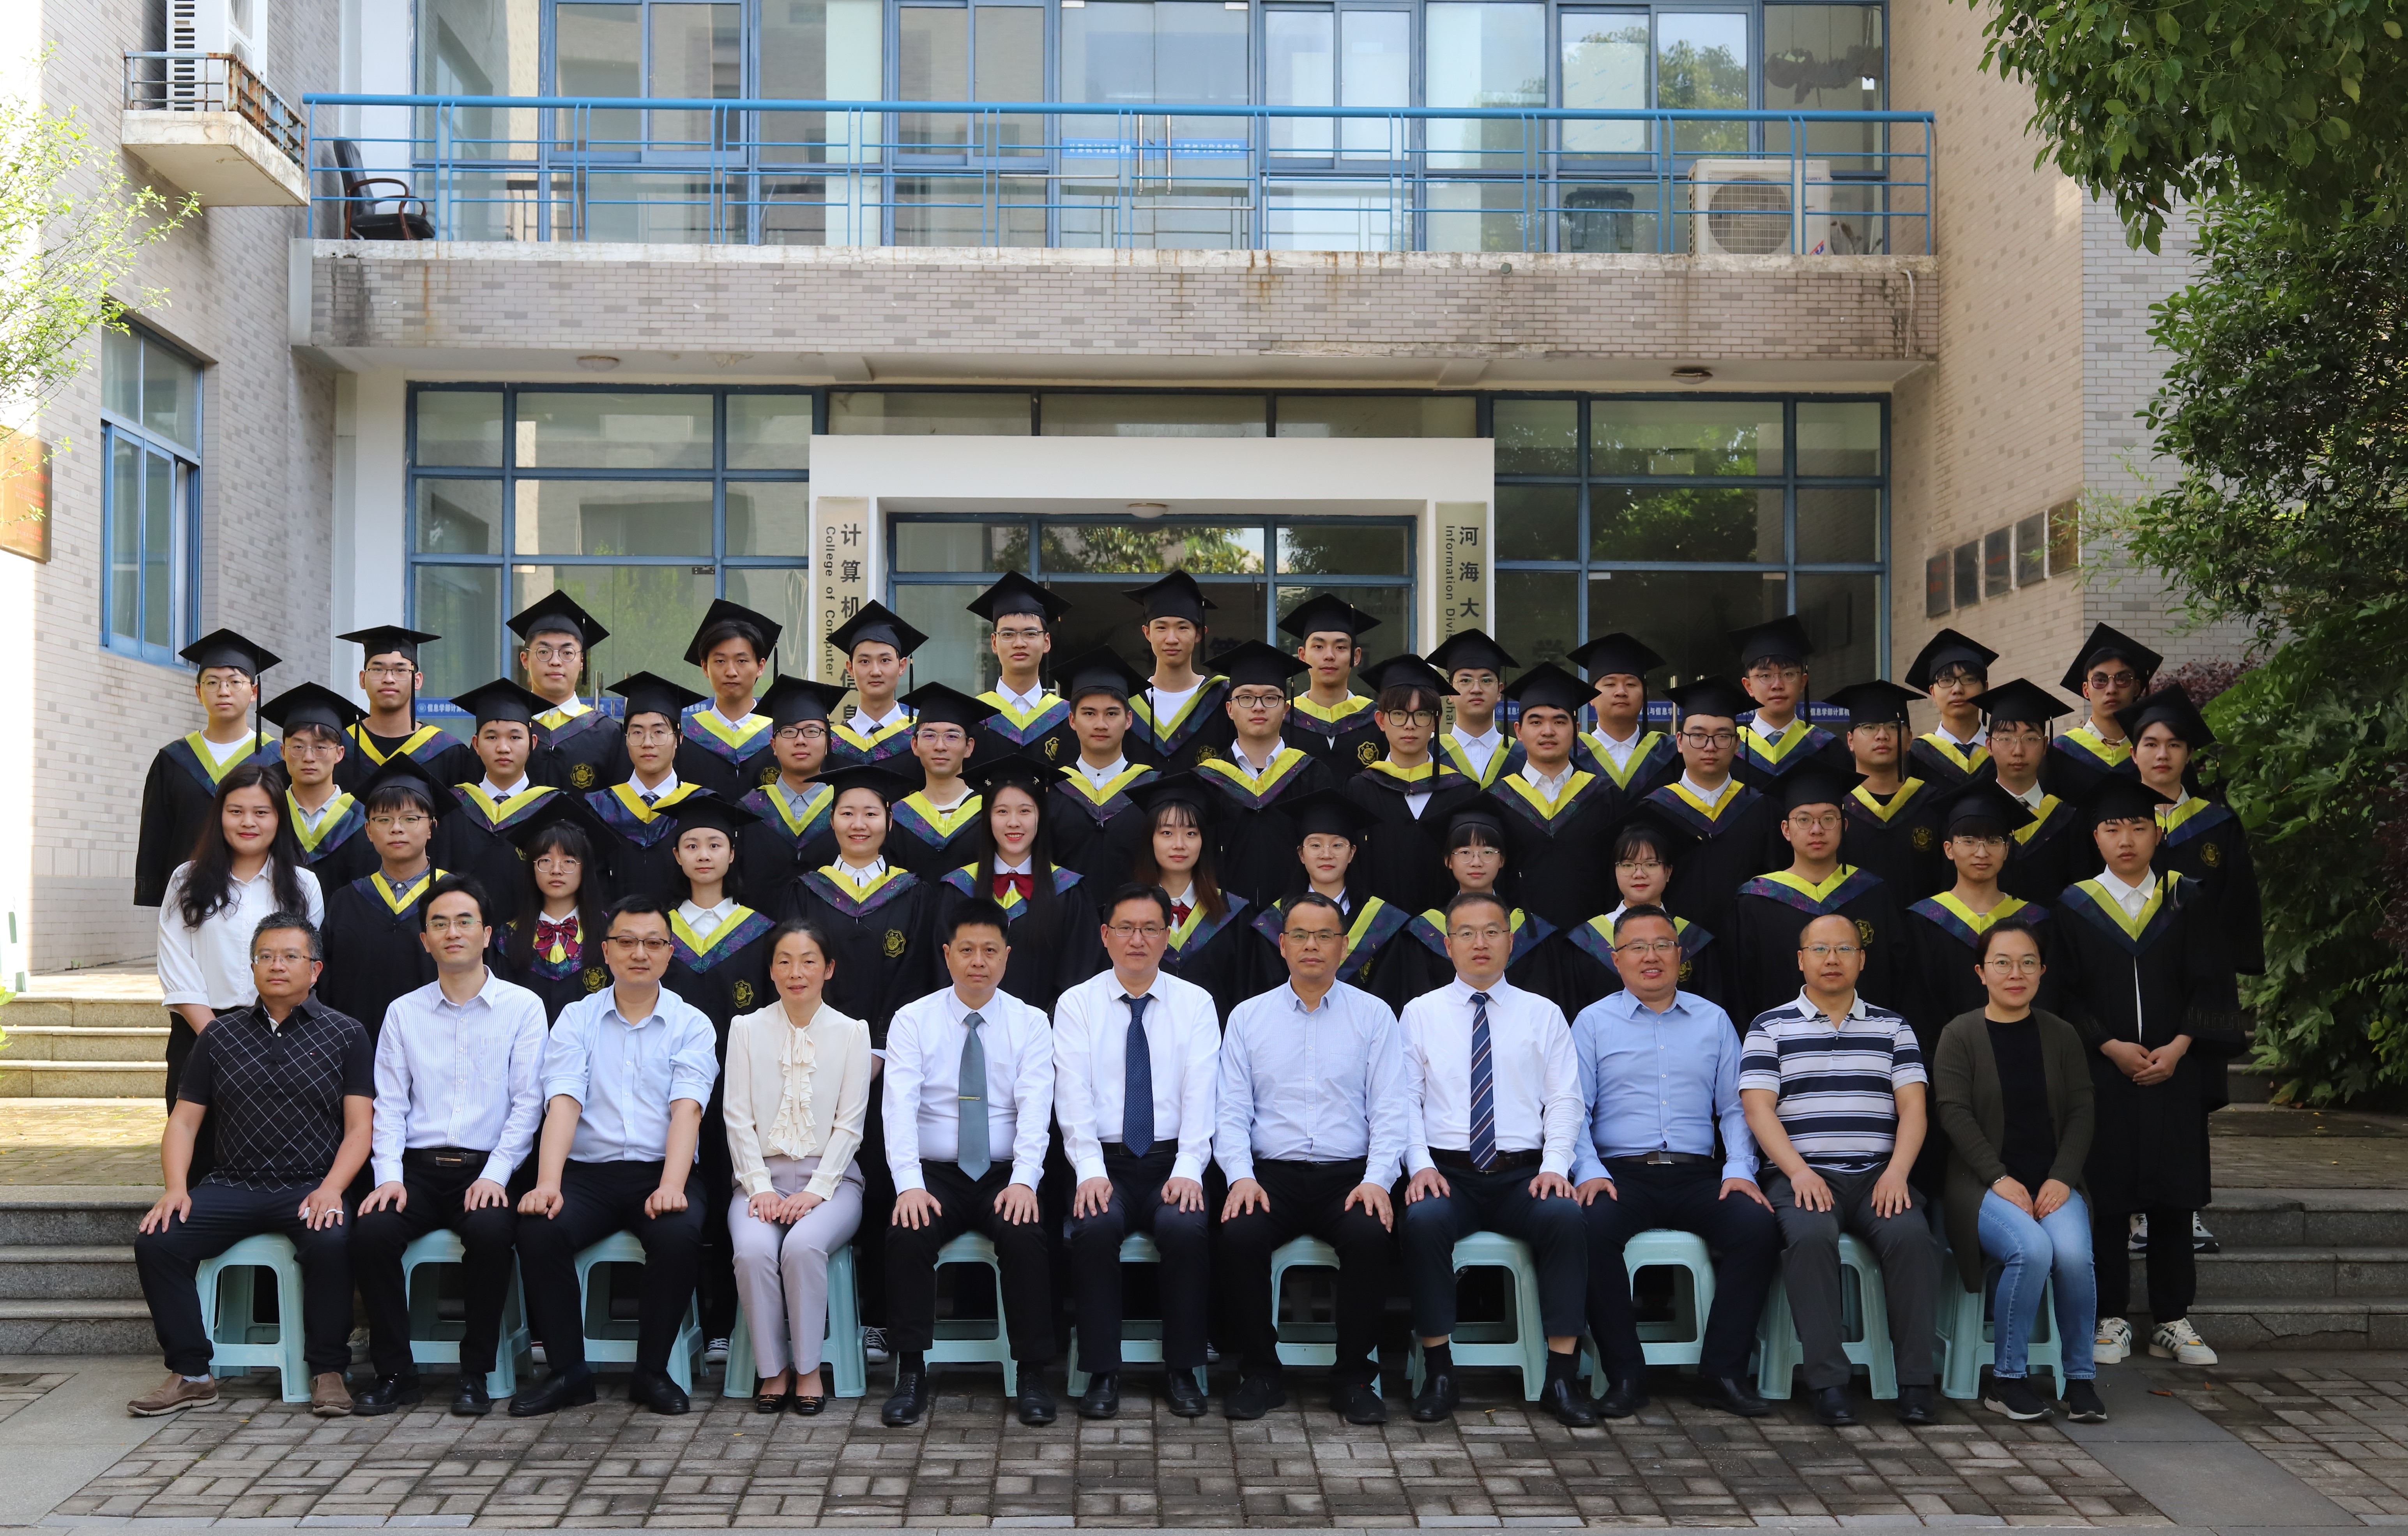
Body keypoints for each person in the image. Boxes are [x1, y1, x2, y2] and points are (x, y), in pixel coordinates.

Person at [128, 911, 371, 1420]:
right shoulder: (220, 1036)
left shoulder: (346, 1034)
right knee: (158, 1239)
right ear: (253, 966)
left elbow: (359, 1129)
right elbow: (184, 1122)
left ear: (315, 969)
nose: (276, 965)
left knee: (331, 1240)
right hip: (232, 1184)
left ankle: (328, 1370)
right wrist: (176, 1188)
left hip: (310, 1184)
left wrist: (332, 1188)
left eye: (290, 956)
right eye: (266, 956)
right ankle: (192, 1373)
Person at [2050, 777, 2243, 1370]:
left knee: (2174, 1196)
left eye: (2138, 827)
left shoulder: (2186, 897)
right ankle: (2110, 1316)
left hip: (2174, 1071)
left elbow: (2211, 982)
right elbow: (2063, 992)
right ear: (2096, 837)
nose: (2126, 839)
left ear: (2157, 833)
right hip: (2105, 1073)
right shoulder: (2074, 905)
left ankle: (2171, 1318)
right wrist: (2108, 1045)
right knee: (2108, 1196)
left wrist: (2180, 1047)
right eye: (2113, 829)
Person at [511, 895, 720, 1418]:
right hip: (589, 1174)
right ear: (605, 951)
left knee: (677, 1234)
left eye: (653, 943)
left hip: (661, 1169)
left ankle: (651, 1372)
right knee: (539, 1228)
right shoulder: (577, 1018)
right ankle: (568, 1372)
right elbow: (563, 1102)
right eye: (626, 942)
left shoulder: (692, 1023)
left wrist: (671, 1185)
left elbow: (688, 1110)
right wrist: (548, 1183)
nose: (639, 953)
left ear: (670, 952)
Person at [1570, 904, 1779, 1420]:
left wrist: (1739, 1169)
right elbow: (1574, 1109)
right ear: (1616, 958)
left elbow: (1735, 1108)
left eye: (1662, 945)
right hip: (1620, 1174)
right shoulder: (1592, 1022)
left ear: (1679, 954)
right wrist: (1589, 1169)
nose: (1651, 956)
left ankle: (1722, 1374)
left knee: (1755, 1226)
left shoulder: (1713, 1019)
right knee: (1587, 1229)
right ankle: (1625, 1375)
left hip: (1696, 1173)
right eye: (1637, 947)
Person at [350, 876, 549, 1418]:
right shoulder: (403, 1012)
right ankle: (396, 1374)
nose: (452, 932)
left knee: (489, 1232)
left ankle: (474, 1373)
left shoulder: (523, 1007)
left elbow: (528, 1104)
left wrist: (497, 1176)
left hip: (487, 1167)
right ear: (425, 940)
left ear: (487, 934)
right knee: (371, 1231)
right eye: (439, 923)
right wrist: (389, 1177)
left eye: (464, 921)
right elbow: (390, 1105)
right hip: (416, 1169)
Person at [1397, 890, 1596, 1428]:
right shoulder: (1419, 1014)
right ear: (1448, 945)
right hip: (1448, 1173)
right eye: (1466, 933)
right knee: (1423, 1221)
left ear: (1511, 940)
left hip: (1523, 1175)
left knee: (1565, 1218)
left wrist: (1555, 1165)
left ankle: (1561, 1376)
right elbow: (1404, 1100)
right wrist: (1419, 1165)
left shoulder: (1543, 1014)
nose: (1479, 943)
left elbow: (1564, 1099)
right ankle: (1439, 1372)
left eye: (1491, 931)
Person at [1739, 912, 1940, 1427]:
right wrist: (1798, 1172)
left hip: (1879, 1174)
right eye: (1820, 949)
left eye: (1844, 949)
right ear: (1800, 959)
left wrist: (1897, 1172)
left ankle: (1916, 1383)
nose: (1832, 959)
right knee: (1808, 1239)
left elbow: (1914, 1108)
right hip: (1802, 1175)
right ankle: (1827, 1384)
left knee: (1913, 1239)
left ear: (1862, 959)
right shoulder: (1769, 1026)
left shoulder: (1892, 1027)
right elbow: (1758, 1109)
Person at [1216, 891, 1403, 1425]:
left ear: (1343, 946)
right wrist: (1240, 1176)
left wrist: (1377, 1180)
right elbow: (1230, 1110)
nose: (1311, 946)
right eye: (1299, 935)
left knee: (1370, 1234)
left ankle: (1353, 1378)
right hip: (1270, 1177)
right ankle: (1260, 1373)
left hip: (1348, 1177)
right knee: (1238, 1235)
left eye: (1324, 935)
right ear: (1282, 945)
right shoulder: (1249, 1018)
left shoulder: (1373, 1016)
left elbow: (1390, 1109)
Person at [880, 901, 1060, 1428]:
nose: (977, 961)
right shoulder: (913, 1020)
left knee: (1026, 1234)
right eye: (966, 950)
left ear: (1006, 956)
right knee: (907, 1233)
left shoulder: (1030, 1022)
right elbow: (898, 1108)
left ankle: (1031, 1374)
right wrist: (908, 1185)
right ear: (947, 955)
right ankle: (910, 1372)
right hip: (934, 1172)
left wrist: (1025, 1181)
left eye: (989, 950)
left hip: (1004, 1171)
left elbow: (1035, 1110)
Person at [1054, 885, 1221, 1420]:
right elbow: (1072, 1095)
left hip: (1173, 1160)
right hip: (1104, 1161)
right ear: (1105, 936)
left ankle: (1183, 1368)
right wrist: (1088, 1170)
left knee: (1185, 1228)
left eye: (1150, 928)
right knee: (1095, 1226)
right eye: (1126, 928)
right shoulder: (1077, 1003)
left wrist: (1190, 1167)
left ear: (1167, 936)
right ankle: (1102, 1371)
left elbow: (1202, 1093)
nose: (1137, 939)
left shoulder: (1195, 1003)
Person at [1931, 921, 2107, 1424]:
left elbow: (2082, 1110)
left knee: (2072, 1254)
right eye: (2002, 963)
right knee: (2031, 1249)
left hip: (2052, 1181)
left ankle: (2079, 1380)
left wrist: (2062, 1176)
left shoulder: (2061, 1035)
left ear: (2042, 971)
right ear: (1980, 972)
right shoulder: (1959, 1034)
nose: (2016, 973)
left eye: (2028, 962)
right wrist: (1998, 1177)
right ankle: (2007, 1380)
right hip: (1981, 1185)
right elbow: (1953, 1113)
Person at [722, 919, 873, 1415]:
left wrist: (818, 1190)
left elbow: (850, 1126)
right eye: (784, 961)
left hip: (832, 1183)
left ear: (828, 969)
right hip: (758, 1180)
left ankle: (808, 1369)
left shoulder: (852, 1033)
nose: (796, 972)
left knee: (804, 1246)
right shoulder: (746, 1029)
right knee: (752, 1251)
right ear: (770, 970)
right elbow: (737, 1118)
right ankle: (773, 1370)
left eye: (809, 961)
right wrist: (758, 1187)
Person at [156, 764, 326, 1184]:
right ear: (220, 816)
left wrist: (265, 1038)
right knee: (201, 1155)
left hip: (282, 1035)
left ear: (279, 819)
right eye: (236, 812)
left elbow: (303, 966)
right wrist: (222, 1039)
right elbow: (177, 966)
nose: (248, 822)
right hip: (200, 1034)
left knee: (274, 1154)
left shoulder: (303, 885)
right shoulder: (186, 880)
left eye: (261, 812)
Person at [659, 793, 780, 1358]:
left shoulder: (760, 932)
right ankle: (691, 1323)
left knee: (738, 1195)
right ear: (677, 856)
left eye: (714, 844)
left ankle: (731, 1324)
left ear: (732, 854)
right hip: (668, 1093)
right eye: (691, 845)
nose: (703, 854)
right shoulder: (656, 932)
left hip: (742, 1092)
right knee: (682, 1200)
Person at [1729, 763, 1903, 1028]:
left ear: (1844, 826)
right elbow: (1741, 988)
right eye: (1804, 820)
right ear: (1786, 830)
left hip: (1864, 1039)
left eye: (1828, 819)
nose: (1817, 830)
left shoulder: (1873, 894)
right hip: (1781, 1040)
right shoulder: (1756, 900)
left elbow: (1896, 977)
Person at [935, 756, 1105, 1014]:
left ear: (1040, 816)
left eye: (1025, 811)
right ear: (987, 818)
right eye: (1002, 811)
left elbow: (1080, 976)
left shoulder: (1069, 891)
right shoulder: (958, 889)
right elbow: (942, 972)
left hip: (1049, 1031)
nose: (1013, 822)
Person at [2120, 685, 2264, 978]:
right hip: (2130, 974)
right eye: (2151, 745)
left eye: (2174, 745)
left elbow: (2239, 901)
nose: (2163, 755)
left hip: (2206, 973)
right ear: (2133, 754)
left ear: (2189, 755)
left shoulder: (2218, 824)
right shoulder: (2114, 825)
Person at [135, 629, 284, 908]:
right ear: (198, 692)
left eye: (235, 682)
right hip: (188, 899)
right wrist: (157, 896)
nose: (223, 691)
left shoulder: (277, 759)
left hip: (261, 897)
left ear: (254, 692)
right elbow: (157, 836)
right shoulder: (173, 760)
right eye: (212, 682)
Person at [318, 759, 455, 1041]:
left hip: (440, 1046)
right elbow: (327, 985)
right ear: (368, 831)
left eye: (410, 819)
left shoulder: (456, 898)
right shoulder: (345, 902)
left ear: (431, 827)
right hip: (356, 1047)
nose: (396, 828)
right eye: (384, 820)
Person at [1646, 676, 1786, 946]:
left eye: (1722, 736)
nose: (1710, 747)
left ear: (1737, 743)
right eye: (1698, 736)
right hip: (1675, 949)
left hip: (1749, 946)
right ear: (1679, 741)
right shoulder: (1656, 810)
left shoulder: (1762, 810)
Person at [1195, 640, 1330, 910]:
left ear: (1286, 709)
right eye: (1246, 698)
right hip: (1220, 919)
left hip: (1296, 920)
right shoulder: (1206, 780)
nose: (1258, 707)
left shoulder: (1313, 775)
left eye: (1270, 698)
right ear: (1230, 709)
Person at [1343, 654, 1481, 914]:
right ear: (1381, 721)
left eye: (1422, 715)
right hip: (1375, 929)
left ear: (1436, 721)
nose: (1410, 725)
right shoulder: (1360, 790)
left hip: (1447, 930)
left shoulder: (1463, 792)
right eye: (1399, 714)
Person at [1490, 661, 1624, 929]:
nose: (1548, 731)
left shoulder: (1605, 797)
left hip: (1590, 940)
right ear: (1519, 732)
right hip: (1520, 943)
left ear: (1576, 730)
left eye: (1560, 721)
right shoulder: (1498, 800)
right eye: (1536, 722)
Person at [1248, 789, 1411, 1002]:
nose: (1326, 855)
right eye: (1315, 845)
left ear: (1352, 853)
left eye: (1337, 845)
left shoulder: (1382, 922)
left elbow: (1389, 992)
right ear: (1301, 854)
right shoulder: (1275, 922)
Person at [1399, 796, 1565, 1002]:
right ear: (1448, 861)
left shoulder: (1529, 930)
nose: (1476, 862)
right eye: (1465, 852)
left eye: (1488, 852)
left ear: (1502, 860)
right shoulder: (1425, 931)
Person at [1128, 772, 1262, 1022]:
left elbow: (1246, 996)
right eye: (1167, 833)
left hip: (1215, 1041)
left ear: (1203, 841)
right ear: (1150, 840)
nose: (1179, 845)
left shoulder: (1233, 915)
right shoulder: (1125, 913)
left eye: (1191, 833)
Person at [1561, 817, 1726, 1018]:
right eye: (1627, 865)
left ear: (1668, 872)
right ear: (1615, 871)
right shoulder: (1588, 940)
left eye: (1651, 864)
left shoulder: (1693, 940)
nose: (1639, 874)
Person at [438, 678, 561, 930]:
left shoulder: (553, 808)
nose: (503, 748)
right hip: (463, 937)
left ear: (533, 743)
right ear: (476, 745)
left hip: (533, 939)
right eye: (492, 737)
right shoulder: (454, 805)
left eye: (515, 737)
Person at [1047, 647, 1162, 906]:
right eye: (1089, 713)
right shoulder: (1054, 789)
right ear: (1072, 720)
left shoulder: (1151, 789)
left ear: (1129, 720)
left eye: (1112, 713)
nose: (1101, 724)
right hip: (1066, 920)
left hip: (1138, 923)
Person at [585, 673, 710, 904]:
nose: (648, 743)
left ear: (679, 739)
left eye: (659, 732)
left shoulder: (701, 805)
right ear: (626, 740)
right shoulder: (602, 808)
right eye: (637, 733)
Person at [499, 794, 615, 1023]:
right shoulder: (507, 938)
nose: (556, 870)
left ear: (586, 868)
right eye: (545, 861)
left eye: (569, 861)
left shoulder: (611, 933)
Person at [1828, 679, 1948, 900]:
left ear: (1910, 739)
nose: (1882, 735)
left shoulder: (1935, 806)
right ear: (1850, 741)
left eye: (1893, 726)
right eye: (1869, 727)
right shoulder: (1834, 810)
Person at [737, 674, 851, 906]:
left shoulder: (846, 809)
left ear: (828, 744)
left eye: (812, 731)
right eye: (789, 732)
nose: (800, 741)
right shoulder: (748, 811)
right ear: (773, 746)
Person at [1972, 679, 2085, 904]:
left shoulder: (2067, 820)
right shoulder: (1973, 817)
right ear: (1989, 746)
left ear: (2045, 746)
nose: (2018, 750)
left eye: (2031, 739)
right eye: (2006, 739)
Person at [262, 681, 374, 890]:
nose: (309, 757)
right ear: (283, 752)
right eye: (298, 747)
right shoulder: (268, 813)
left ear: (339, 754)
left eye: (321, 747)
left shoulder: (361, 819)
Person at [509, 590, 624, 794]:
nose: (555, 661)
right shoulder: (505, 729)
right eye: (544, 652)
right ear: (525, 660)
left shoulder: (609, 735)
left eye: (567, 653)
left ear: (582, 662)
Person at [1125, 572, 1235, 770]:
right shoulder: (1128, 702)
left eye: (1183, 628)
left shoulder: (1223, 699)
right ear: (1147, 633)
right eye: (1161, 628)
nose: (1171, 639)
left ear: (1199, 634)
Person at [1728, 616, 1850, 789]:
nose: (1777, 685)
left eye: (1788, 674)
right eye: (1765, 676)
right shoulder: (1729, 749)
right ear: (1749, 687)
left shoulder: (1828, 749)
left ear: (1803, 682)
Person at [677, 600, 783, 799]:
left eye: (742, 661)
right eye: (720, 661)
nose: (731, 672)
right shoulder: (684, 735)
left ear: (760, 667)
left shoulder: (781, 734)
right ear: (705, 667)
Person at [968, 572, 1075, 767]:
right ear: (994, 643)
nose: (1019, 643)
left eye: (1030, 634)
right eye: (1008, 634)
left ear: (1046, 642)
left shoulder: (1067, 717)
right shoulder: (973, 716)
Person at [1566, 632, 1682, 811]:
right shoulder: (1571, 754)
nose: (1621, 692)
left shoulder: (1671, 754)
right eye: (1610, 684)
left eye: (1631, 684)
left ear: (1644, 694)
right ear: (1591, 697)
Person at [883, 683, 989, 877]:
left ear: (969, 747)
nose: (940, 746)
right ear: (915, 745)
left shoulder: (989, 813)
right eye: (930, 736)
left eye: (952, 736)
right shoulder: (897, 818)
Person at [2046, 624, 2160, 802]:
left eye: (2123, 679)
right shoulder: (2058, 754)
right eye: (2100, 680)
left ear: (2137, 688)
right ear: (2086, 690)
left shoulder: (2158, 753)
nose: (2111, 689)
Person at [335, 625, 453, 791]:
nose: (389, 679)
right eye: (378, 669)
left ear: (417, 681)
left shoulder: (447, 752)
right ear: (362, 679)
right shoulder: (338, 747)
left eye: (400, 670)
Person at [1278, 593, 1382, 776]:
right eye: (1319, 647)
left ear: (1356, 656)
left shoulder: (1377, 721)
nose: (1329, 656)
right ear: (1302, 655)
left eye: (1340, 647)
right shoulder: (1282, 720)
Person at [825, 601, 929, 781]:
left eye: (885, 661)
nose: (875, 671)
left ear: (902, 666)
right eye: (865, 662)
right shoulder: (832, 742)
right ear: (850, 669)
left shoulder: (924, 734)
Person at [1905, 629, 2000, 789]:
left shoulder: (2003, 752)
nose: (1957, 689)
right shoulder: (1914, 755)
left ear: (1985, 688)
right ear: (1932, 692)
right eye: (1946, 680)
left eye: (1969, 679)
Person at [1429, 629, 1524, 789]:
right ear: (1450, 693)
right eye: (1465, 681)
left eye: (1486, 681)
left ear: (1500, 691)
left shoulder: (1524, 755)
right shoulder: (1429, 754)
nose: (1476, 689)